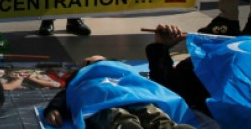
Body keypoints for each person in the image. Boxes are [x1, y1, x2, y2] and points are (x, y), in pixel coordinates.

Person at [42, 53, 198, 129]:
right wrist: (54, 109)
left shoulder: (123, 72)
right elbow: (64, 97)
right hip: (100, 104)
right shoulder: (80, 82)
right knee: (119, 118)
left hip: (133, 97)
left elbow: (144, 86)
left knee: (151, 113)